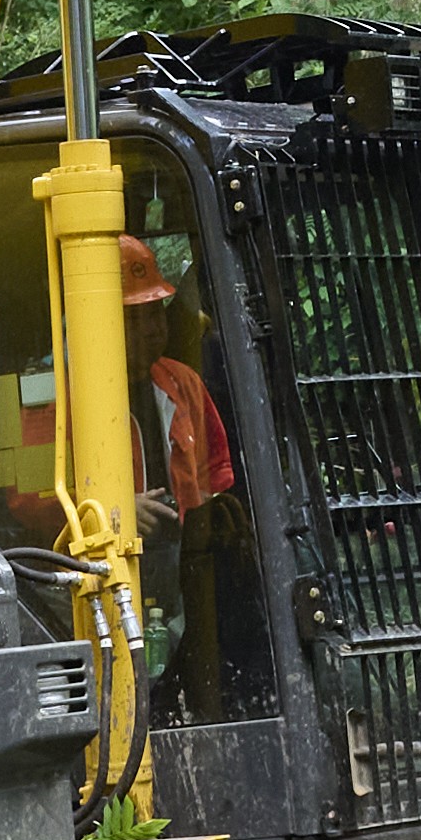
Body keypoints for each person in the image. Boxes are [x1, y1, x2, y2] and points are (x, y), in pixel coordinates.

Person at [124, 234, 244, 715]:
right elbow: (24, 505)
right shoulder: (56, 397)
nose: (154, 328)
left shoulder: (183, 384)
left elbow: (213, 482)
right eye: (136, 316)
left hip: (179, 575)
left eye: (156, 312)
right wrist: (116, 512)